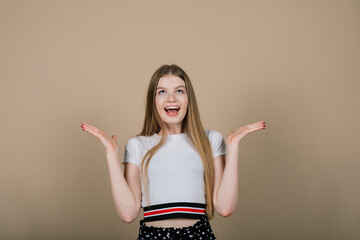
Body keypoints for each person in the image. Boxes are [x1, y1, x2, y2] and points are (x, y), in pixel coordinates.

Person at [81, 64, 266, 239]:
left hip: (198, 235)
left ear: (188, 99)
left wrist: (233, 147)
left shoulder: (210, 140)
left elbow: (225, 208)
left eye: (179, 91)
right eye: (162, 92)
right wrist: (111, 154)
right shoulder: (137, 145)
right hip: (152, 236)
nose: (171, 98)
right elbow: (128, 214)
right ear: (153, 101)